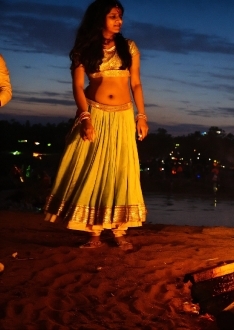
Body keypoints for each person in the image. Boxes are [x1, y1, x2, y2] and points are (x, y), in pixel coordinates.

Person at [44, 0, 148, 250]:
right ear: (99, 18)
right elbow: (78, 87)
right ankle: (93, 233)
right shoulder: (84, 50)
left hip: (123, 115)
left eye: (120, 16)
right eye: (113, 16)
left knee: (121, 171)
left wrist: (141, 115)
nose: (118, 20)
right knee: (93, 171)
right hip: (95, 113)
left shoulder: (129, 47)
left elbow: (135, 83)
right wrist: (85, 117)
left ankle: (119, 231)